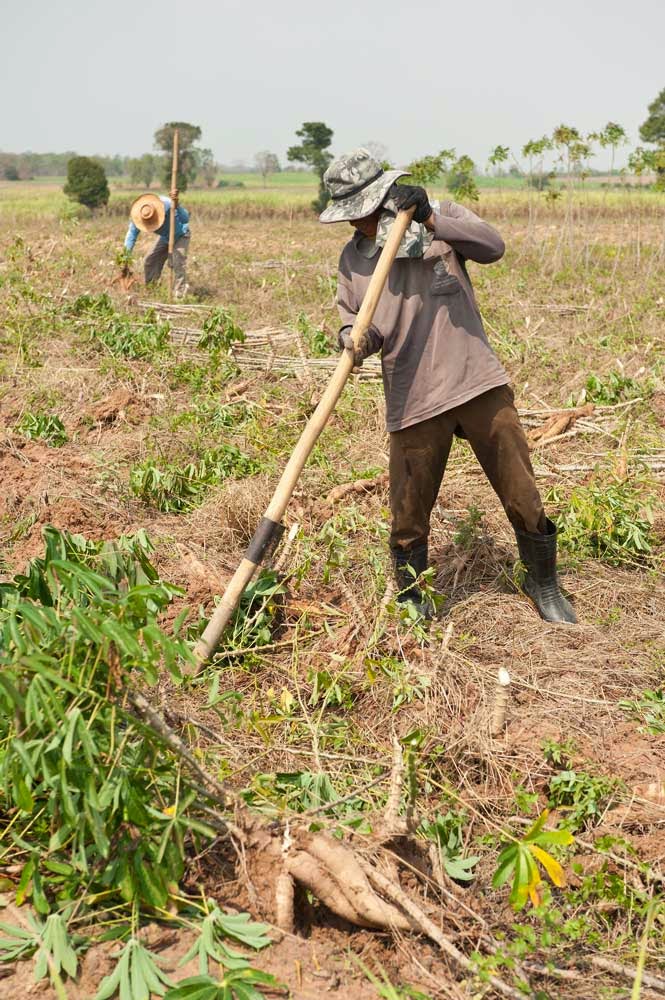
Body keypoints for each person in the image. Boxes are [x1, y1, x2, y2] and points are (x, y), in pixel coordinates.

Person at [320, 148, 576, 625]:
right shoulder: (353, 261)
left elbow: (493, 247)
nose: (360, 225)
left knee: (521, 487)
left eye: (366, 213)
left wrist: (433, 218)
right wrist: (353, 338)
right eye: (352, 218)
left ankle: (542, 581)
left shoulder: (440, 219)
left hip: (475, 378)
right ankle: (415, 596)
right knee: (408, 506)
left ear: (383, 200)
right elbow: (359, 324)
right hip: (414, 393)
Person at [123, 192, 190, 297]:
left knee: (178, 263)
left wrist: (177, 205)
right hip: (165, 237)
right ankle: (151, 290)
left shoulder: (167, 204)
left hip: (181, 234)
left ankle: (180, 294)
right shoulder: (139, 215)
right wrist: (126, 256)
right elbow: (131, 236)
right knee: (150, 261)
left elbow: (186, 219)